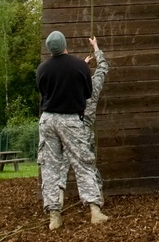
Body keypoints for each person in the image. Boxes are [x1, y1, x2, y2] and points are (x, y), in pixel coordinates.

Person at [36, 31, 107, 229]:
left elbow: (43, 93)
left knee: (49, 168)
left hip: (47, 120)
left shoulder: (42, 69)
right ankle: (95, 210)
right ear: (65, 43)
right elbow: (86, 93)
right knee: (83, 163)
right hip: (71, 120)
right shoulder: (80, 66)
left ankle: (54, 217)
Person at [84, 36, 109, 154]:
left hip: (70, 132)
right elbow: (103, 67)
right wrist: (95, 46)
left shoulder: (73, 85)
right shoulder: (94, 85)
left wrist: (83, 64)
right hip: (87, 132)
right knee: (88, 167)